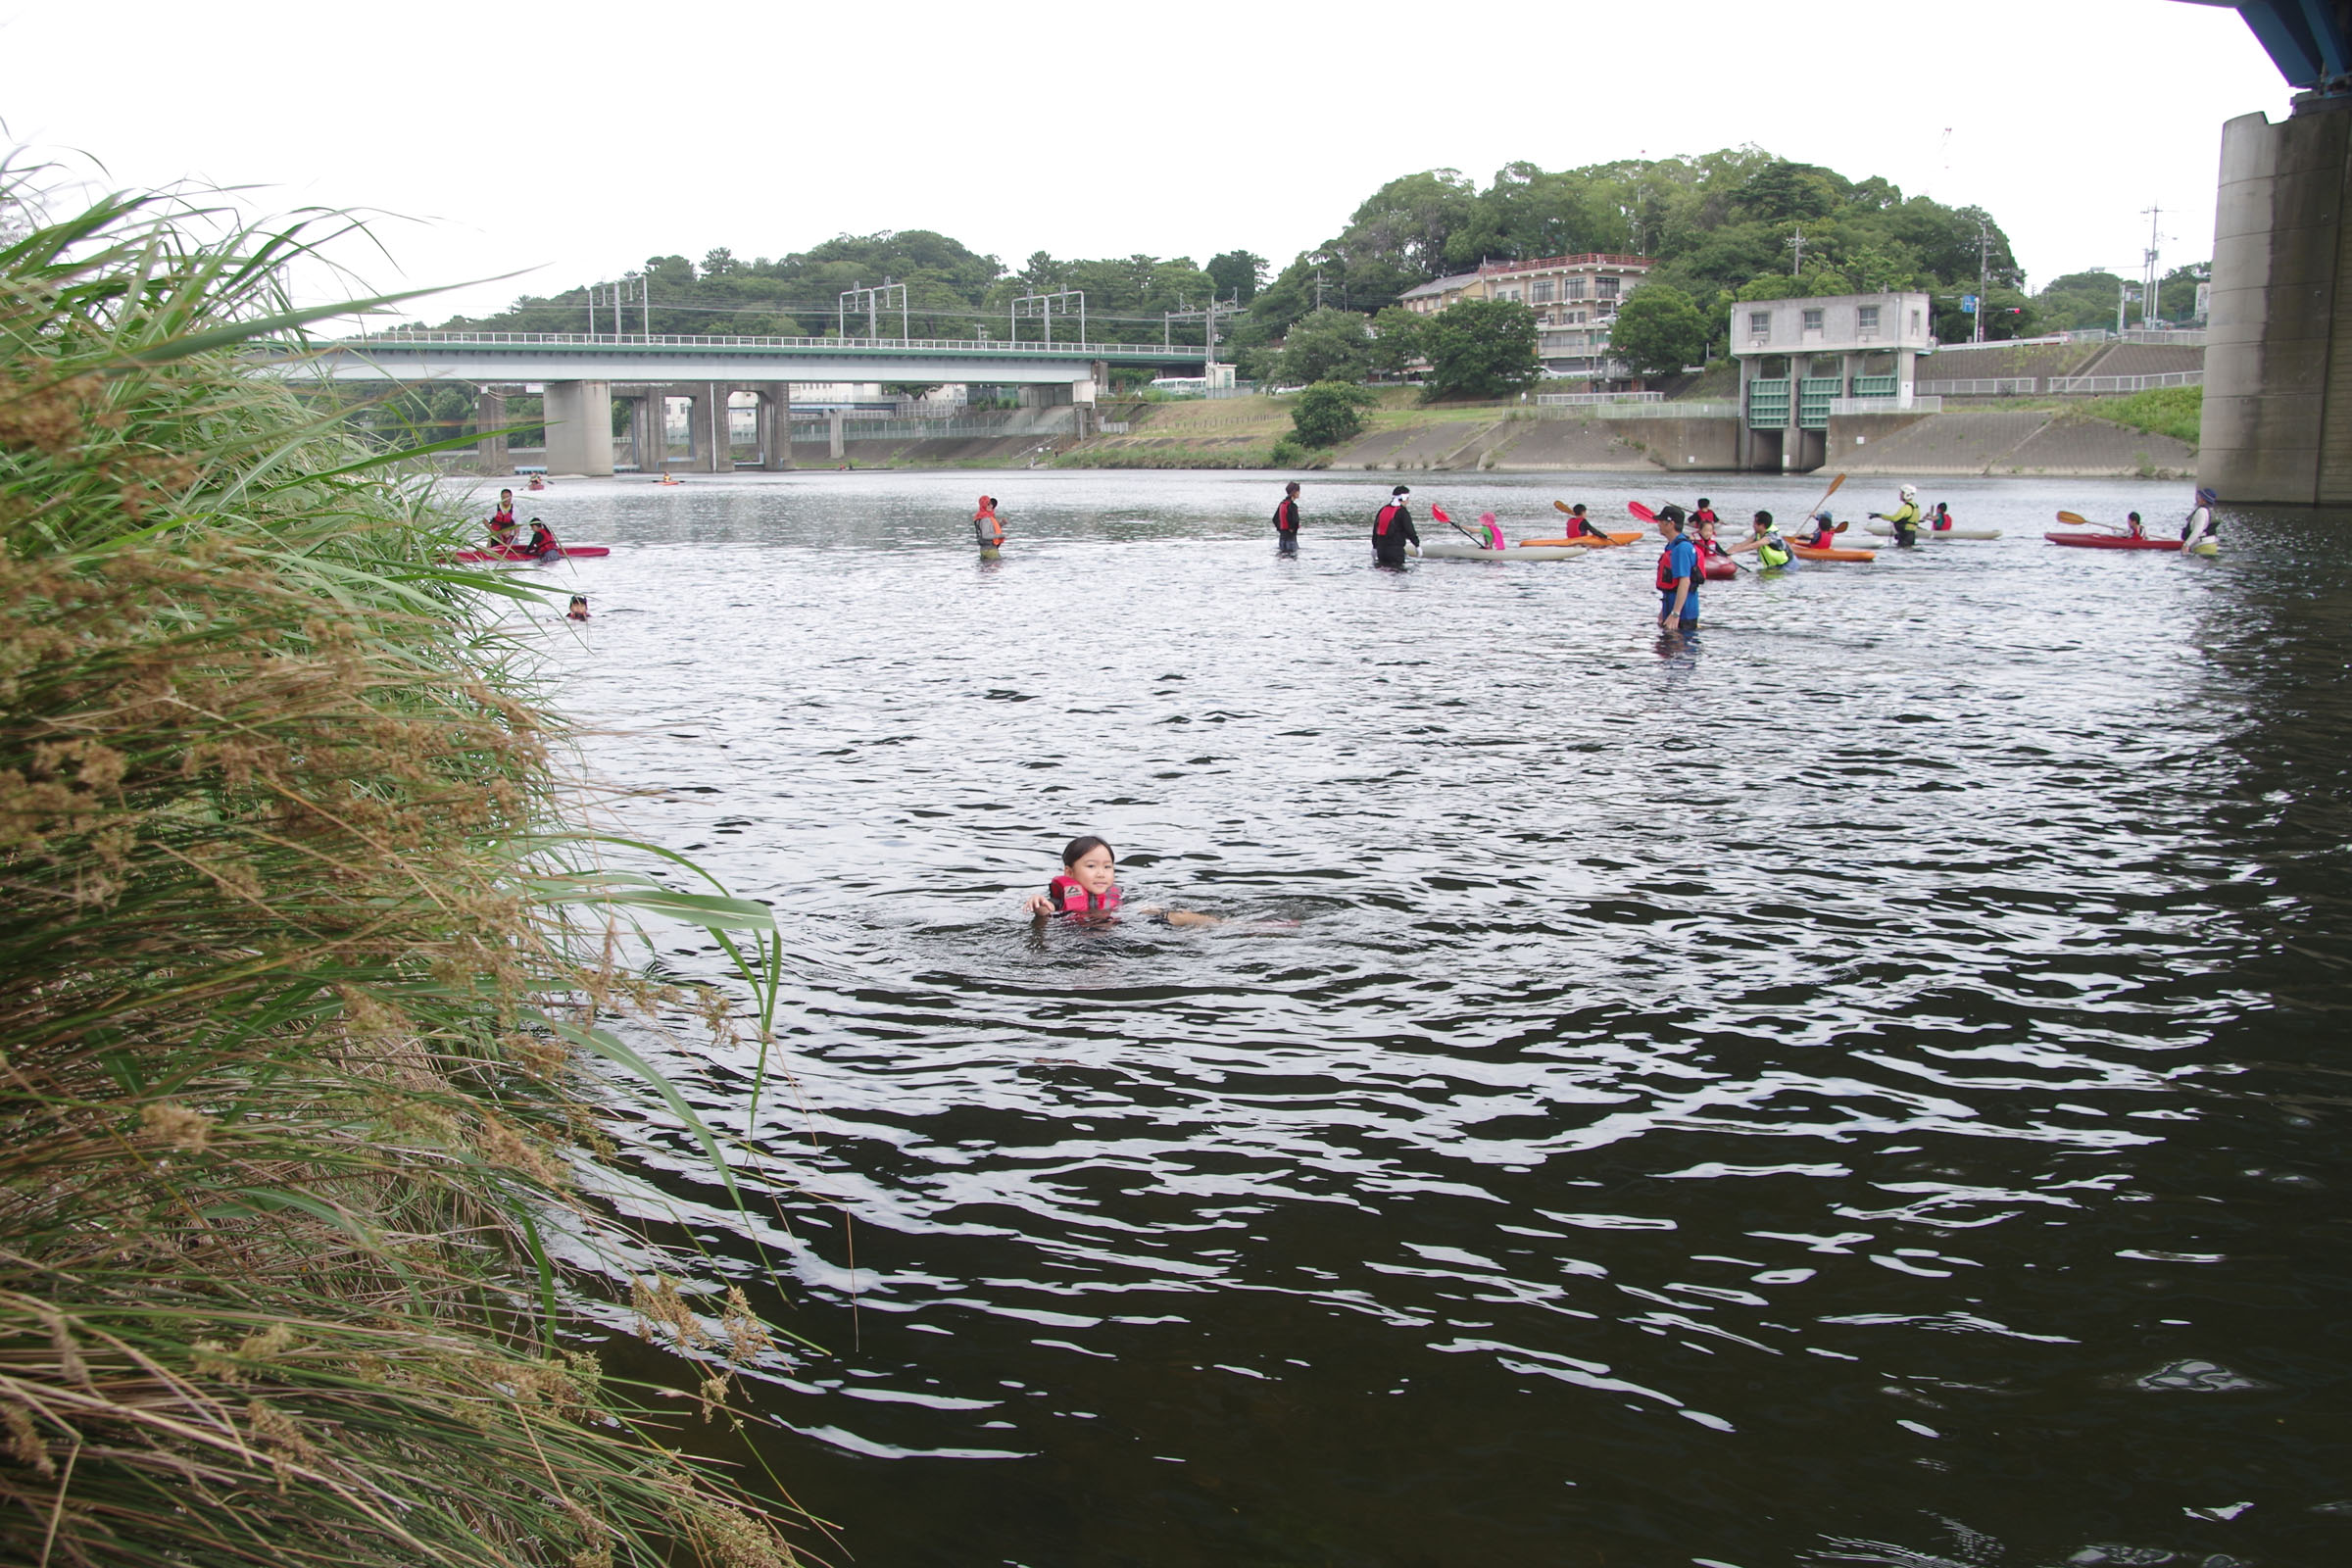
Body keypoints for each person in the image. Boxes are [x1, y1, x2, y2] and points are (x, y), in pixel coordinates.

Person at [1022, 835, 1219, 926]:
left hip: (1122, 925)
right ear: (1069, 872)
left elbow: (1129, 908)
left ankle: (1225, 925)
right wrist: (1039, 905)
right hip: (1082, 939)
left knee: (1173, 914)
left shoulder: (1116, 894)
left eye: (1107, 867)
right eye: (1091, 866)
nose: (1101, 873)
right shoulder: (1059, 901)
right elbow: (1045, 911)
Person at [1655, 508, 1699, 633]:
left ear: (1671, 524)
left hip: (1683, 614)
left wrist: (1675, 614)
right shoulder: (1672, 546)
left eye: (1661, 521)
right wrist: (1663, 611)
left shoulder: (1682, 548)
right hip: (1672, 608)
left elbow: (1685, 581)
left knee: (1679, 649)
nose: (1658, 524)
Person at [1372, 484, 1418, 567]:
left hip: (1381, 551)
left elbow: (1375, 530)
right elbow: (1410, 530)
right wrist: (1417, 545)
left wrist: (1374, 547)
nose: (1408, 501)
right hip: (1395, 552)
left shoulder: (1383, 510)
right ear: (1403, 498)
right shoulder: (1402, 512)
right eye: (1407, 498)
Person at [1869, 483, 1922, 547]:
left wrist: (1879, 515)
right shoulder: (1915, 506)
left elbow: (1894, 518)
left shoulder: (1906, 507)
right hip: (1911, 535)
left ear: (1907, 494)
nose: (1900, 494)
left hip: (1905, 536)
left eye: (1902, 493)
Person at [1272, 481, 1301, 553]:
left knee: (1283, 556)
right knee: (1292, 559)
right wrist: (1292, 529)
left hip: (1282, 539)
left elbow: (1275, 519)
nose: (1299, 493)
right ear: (1294, 493)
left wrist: (1281, 530)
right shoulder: (1293, 506)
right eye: (1298, 491)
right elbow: (1295, 521)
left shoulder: (1282, 504)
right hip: (1291, 539)